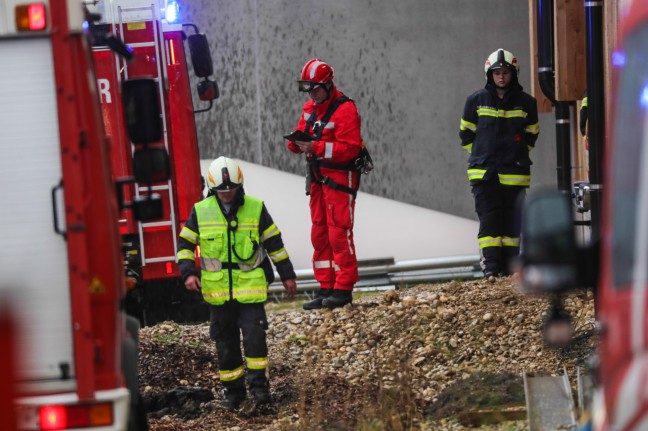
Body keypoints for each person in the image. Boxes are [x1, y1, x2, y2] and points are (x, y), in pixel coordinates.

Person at [176, 156, 297, 410]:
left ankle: (261, 394)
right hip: (218, 294)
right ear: (213, 188)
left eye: (230, 189)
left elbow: (274, 243)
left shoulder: (255, 208)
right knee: (226, 345)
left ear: (239, 186)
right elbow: (185, 245)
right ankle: (234, 395)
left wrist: (287, 275)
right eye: (222, 190)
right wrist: (188, 273)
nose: (227, 194)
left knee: (255, 341)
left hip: (250, 293)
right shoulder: (200, 211)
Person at [286, 58, 362, 310]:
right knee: (320, 233)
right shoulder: (309, 108)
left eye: (315, 88)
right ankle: (326, 287)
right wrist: (295, 144)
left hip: (339, 178)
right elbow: (300, 133)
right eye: (308, 89)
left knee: (339, 232)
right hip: (318, 178)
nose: (311, 93)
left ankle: (343, 288)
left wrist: (315, 146)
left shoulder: (345, 109)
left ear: (329, 85)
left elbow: (350, 149)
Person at [459, 49, 540, 278]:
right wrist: (481, 155)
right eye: (497, 73)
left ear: (514, 73)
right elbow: (466, 135)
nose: (501, 77)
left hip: (515, 174)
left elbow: (531, 135)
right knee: (489, 220)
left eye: (505, 72)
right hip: (484, 174)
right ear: (489, 75)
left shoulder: (527, 103)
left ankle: (511, 268)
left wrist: (516, 155)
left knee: (512, 223)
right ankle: (491, 269)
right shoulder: (475, 100)